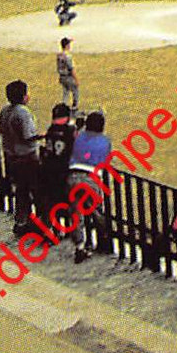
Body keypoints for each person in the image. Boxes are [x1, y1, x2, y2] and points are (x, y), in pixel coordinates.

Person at [0, 80, 42, 236]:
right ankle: (40, 222)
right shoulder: (23, 112)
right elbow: (28, 136)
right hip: (26, 157)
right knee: (35, 190)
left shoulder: (5, 111)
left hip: (11, 156)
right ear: (24, 96)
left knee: (20, 191)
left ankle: (22, 221)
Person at [66, 110, 112, 263]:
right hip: (91, 177)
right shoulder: (105, 141)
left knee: (75, 213)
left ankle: (79, 246)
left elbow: (72, 132)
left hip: (73, 176)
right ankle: (104, 240)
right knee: (97, 211)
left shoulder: (78, 136)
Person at [39, 103, 78, 236]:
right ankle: (67, 229)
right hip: (62, 170)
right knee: (66, 200)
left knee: (50, 201)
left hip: (48, 169)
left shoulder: (51, 129)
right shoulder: (69, 130)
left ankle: (52, 229)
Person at [56, 36, 80, 109]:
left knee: (65, 92)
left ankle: (64, 106)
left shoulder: (59, 55)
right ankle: (74, 106)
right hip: (69, 77)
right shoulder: (68, 56)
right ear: (67, 46)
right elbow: (71, 69)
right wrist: (76, 79)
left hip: (62, 76)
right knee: (75, 91)